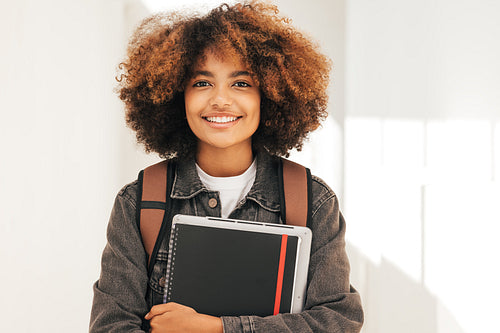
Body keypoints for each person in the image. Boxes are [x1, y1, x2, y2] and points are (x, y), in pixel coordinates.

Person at [89, 1, 364, 332]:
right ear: (178, 96)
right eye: (202, 83)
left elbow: (338, 321)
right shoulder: (139, 202)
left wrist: (215, 327)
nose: (220, 99)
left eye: (241, 83)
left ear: (270, 95)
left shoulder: (312, 201)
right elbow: (111, 325)